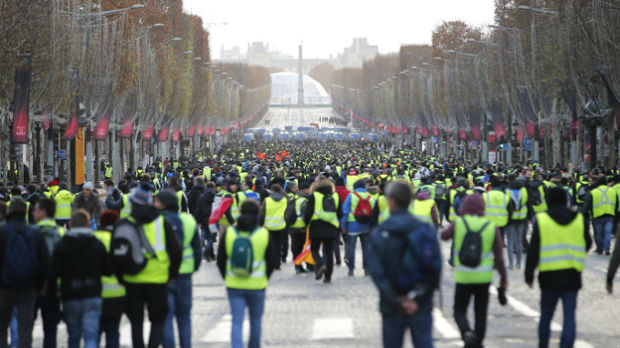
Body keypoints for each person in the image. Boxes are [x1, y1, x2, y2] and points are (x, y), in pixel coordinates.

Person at [368, 180, 440, 348]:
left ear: (391, 200)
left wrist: (397, 300)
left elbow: (377, 273)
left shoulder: (380, 232)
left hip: (391, 305)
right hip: (420, 304)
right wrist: (417, 298)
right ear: (410, 200)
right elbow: (435, 268)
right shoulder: (425, 230)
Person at [117, 183, 182, 348]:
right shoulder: (162, 223)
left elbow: (115, 256)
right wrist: (172, 275)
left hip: (132, 280)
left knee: (136, 323)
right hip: (158, 279)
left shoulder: (123, 225)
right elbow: (176, 251)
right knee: (158, 320)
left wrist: (121, 278)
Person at [526, 187, 591, 348]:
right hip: (572, 274)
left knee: (546, 315)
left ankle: (543, 345)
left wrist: (529, 274)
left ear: (548, 200)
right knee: (569, 316)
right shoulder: (578, 219)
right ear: (566, 199)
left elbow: (533, 249)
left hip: (548, 275)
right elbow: (588, 243)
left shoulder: (542, 220)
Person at [441, 194, 508, 348]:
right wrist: (504, 278)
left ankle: (466, 333)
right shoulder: (490, 226)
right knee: (480, 313)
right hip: (483, 277)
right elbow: (499, 257)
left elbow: (444, 236)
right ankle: (478, 342)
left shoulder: (459, 223)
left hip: (463, 276)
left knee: (459, 310)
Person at [217, 200, 276, 348]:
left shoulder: (229, 233)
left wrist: (227, 277)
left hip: (234, 284)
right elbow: (272, 261)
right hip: (257, 285)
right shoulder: (263, 234)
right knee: (256, 321)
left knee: (237, 320)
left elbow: (221, 260)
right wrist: (265, 277)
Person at [154, 190, 201, 348]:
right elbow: (197, 247)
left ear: (163, 204)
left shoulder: (156, 221)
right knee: (184, 318)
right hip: (185, 274)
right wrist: (194, 266)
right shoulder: (188, 220)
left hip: (163, 274)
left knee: (166, 317)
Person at [0, 198, 50, 348]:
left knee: (2, 327)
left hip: (4, 287)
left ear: (9, 211)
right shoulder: (35, 233)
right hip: (28, 288)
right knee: (25, 328)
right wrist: (37, 284)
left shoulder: (2, 232)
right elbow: (45, 263)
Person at [32, 198, 64, 348]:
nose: (33, 213)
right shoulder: (62, 233)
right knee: (51, 330)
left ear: (43, 212)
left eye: (36, 210)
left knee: (25, 328)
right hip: (54, 289)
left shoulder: (31, 233)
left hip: (32, 287)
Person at [93, 210, 125, 348]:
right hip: (117, 293)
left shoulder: (93, 238)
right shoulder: (120, 239)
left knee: (95, 332)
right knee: (113, 331)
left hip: (95, 292)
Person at [303, 179, 342, 284]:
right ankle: (328, 277)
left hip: (316, 226)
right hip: (332, 226)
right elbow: (340, 213)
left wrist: (307, 224)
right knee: (329, 252)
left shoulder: (314, 196)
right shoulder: (335, 196)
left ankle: (320, 264)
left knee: (314, 249)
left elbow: (308, 212)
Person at [340, 179, 378, 276]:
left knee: (351, 247)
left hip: (353, 225)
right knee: (366, 248)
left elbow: (345, 212)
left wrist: (343, 226)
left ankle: (351, 269)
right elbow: (375, 213)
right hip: (366, 225)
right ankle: (366, 269)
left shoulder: (351, 196)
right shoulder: (370, 197)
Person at [585, 176, 618, 255]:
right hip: (609, 216)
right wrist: (615, 213)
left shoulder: (593, 192)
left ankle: (599, 249)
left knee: (599, 234)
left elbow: (588, 204)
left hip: (597, 216)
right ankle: (607, 249)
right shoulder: (612, 191)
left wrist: (585, 213)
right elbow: (617, 204)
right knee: (608, 233)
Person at [260, 184, 288, 270]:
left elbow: (262, 213)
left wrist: (260, 225)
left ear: (272, 190)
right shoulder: (285, 200)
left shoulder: (267, 200)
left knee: (270, 245)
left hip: (269, 226)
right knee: (278, 245)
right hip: (281, 225)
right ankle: (277, 263)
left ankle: (270, 262)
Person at [289, 182, 310, 273]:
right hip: (302, 227)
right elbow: (307, 214)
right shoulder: (304, 200)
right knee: (306, 247)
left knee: (296, 248)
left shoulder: (293, 198)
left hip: (293, 226)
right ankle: (309, 266)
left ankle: (297, 266)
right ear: (305, 189)